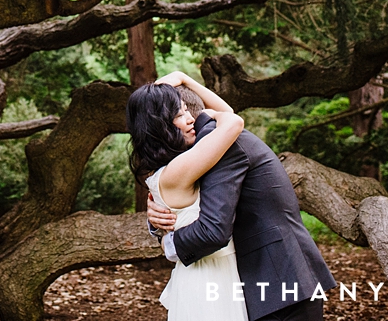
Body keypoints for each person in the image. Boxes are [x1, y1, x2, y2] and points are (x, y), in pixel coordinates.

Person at [144, 74, 336, 321]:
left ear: (191, 118)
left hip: (277, 277)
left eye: (182, 114)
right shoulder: (212, 143)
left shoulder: (222, 146)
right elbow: (193, 201)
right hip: (268, 278)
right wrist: (158, 219)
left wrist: (168, 243)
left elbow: (213, 230)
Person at [127, 72, 249, 321]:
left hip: (212, 273)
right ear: (159, 126)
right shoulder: (177, 171)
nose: (192, 119)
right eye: (179, 115)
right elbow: (233, 121)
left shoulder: (170, 168)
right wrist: (211, 113)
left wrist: (185, 80)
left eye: (187, 111)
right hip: (206, 278)